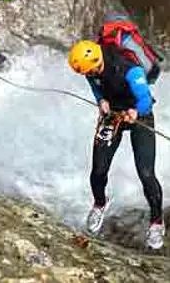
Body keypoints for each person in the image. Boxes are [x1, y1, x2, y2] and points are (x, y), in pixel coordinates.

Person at [68, 39, 164, 250]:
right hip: (111, 114)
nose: (89, 75)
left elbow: (145, 99)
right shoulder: (90, 68)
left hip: (139, 115)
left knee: (146, 174)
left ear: (97, 60)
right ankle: (100, 203)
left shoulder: (128, 68)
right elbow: (94, 84)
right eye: (87, 72)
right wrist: (101, 100)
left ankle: (157, 221)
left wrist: (136, 112)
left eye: (91, 71)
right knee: (98, 169)